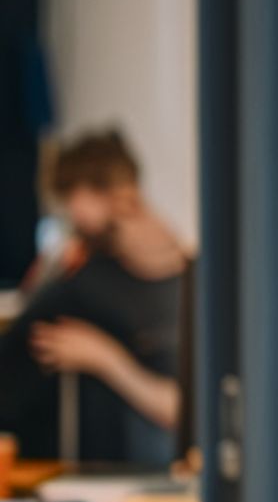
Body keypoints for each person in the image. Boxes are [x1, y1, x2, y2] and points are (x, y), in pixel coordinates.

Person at [0, 128, 188, 464]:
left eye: (74, 201)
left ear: (122, 194)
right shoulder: (86, 279)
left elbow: (183, 412)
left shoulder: (192, 288)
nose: (73, 219)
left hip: (152, 471)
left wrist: (104, 358)